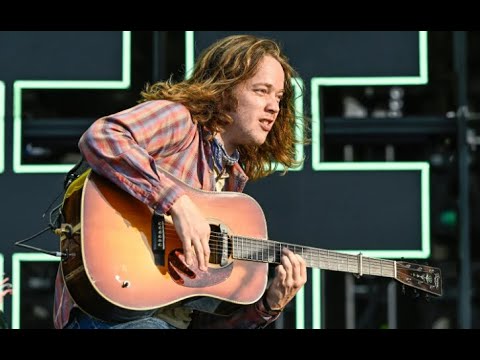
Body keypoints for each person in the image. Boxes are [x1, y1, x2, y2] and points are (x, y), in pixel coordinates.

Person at [54, 34, 307, 329]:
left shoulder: (231, 183)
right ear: (224, 88)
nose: (273, 107)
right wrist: (176, 203)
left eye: (278, 97)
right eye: (261, 91)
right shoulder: (179, 120)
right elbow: (103, 136)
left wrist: (266, 307)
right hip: (109, 313)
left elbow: (203, 319)